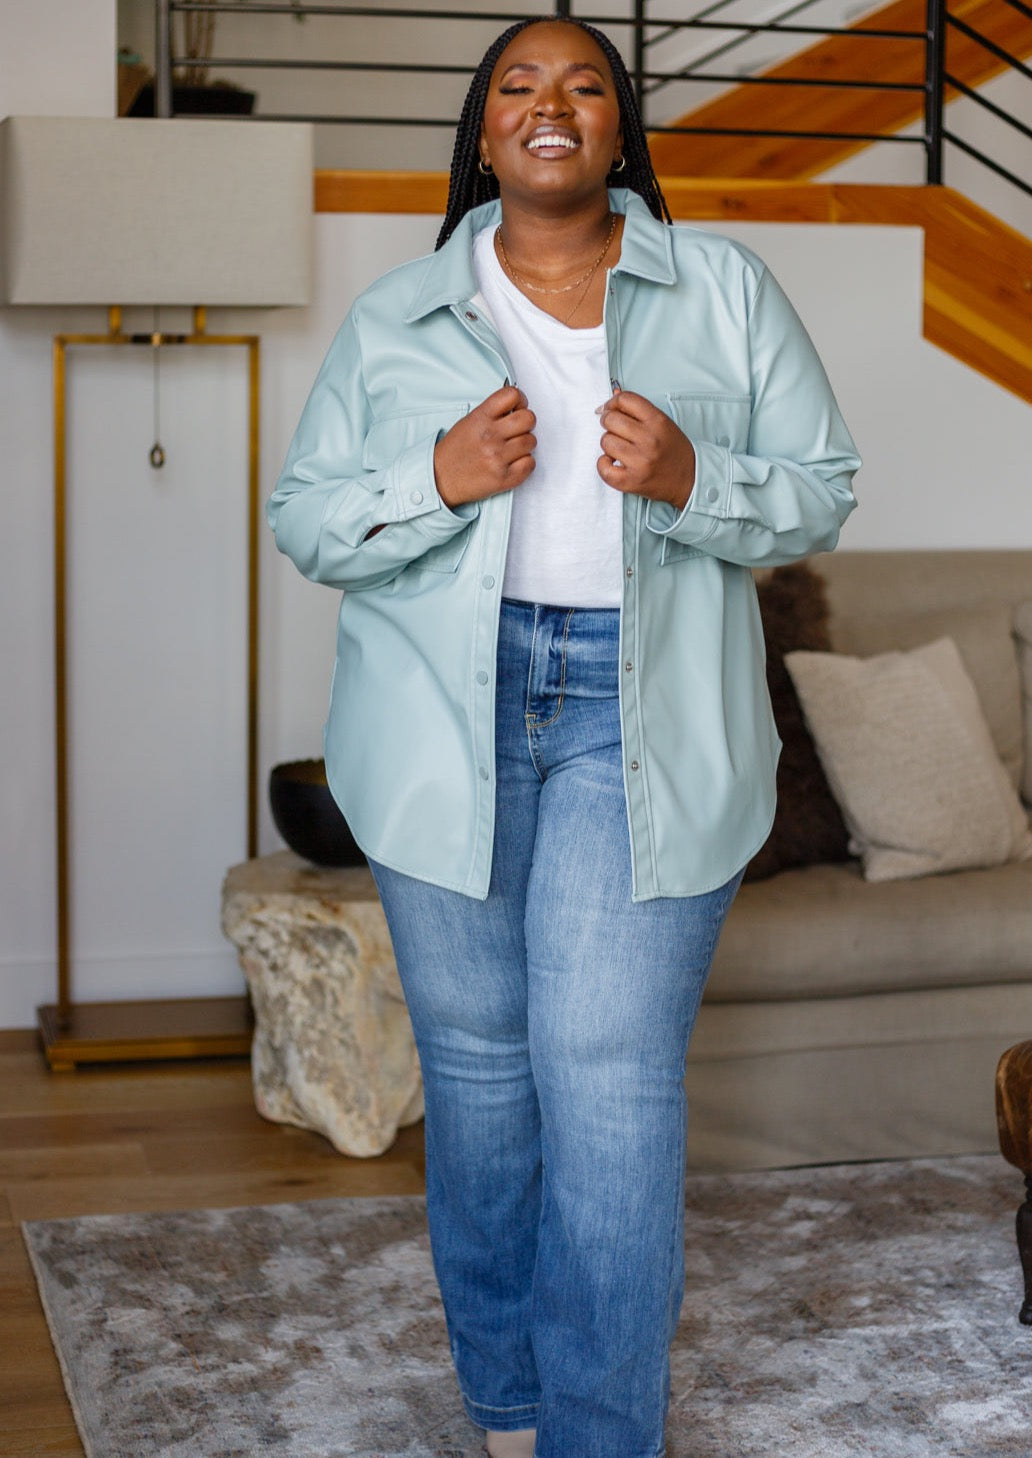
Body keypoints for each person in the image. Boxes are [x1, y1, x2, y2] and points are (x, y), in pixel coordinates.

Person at [268, 16, 859, 1458]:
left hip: (640, 718)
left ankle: (600, 1434)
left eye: (586, 83)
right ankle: (511, 1408)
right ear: (483, 132)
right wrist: (436, 475)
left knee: (606, 1080)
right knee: (478, 1082)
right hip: (443, 719)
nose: (552, 104)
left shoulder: (723, 288)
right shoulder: (399, 315)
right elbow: (309, 522)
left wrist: (696, 475)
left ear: (620, 129)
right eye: (519, 85)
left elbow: (822, 486)